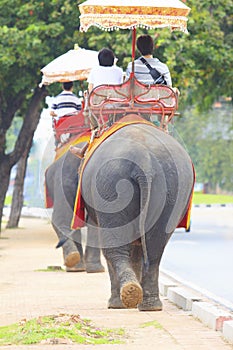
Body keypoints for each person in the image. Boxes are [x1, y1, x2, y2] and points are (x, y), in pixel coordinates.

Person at [70, 48, 123, 158]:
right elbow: (122, 88)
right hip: (116, 107)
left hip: (98, 109)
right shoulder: (119, 71)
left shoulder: (94, 70)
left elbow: (90, 91)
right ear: (113, 60)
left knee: (95, 126)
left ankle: (94, 133)